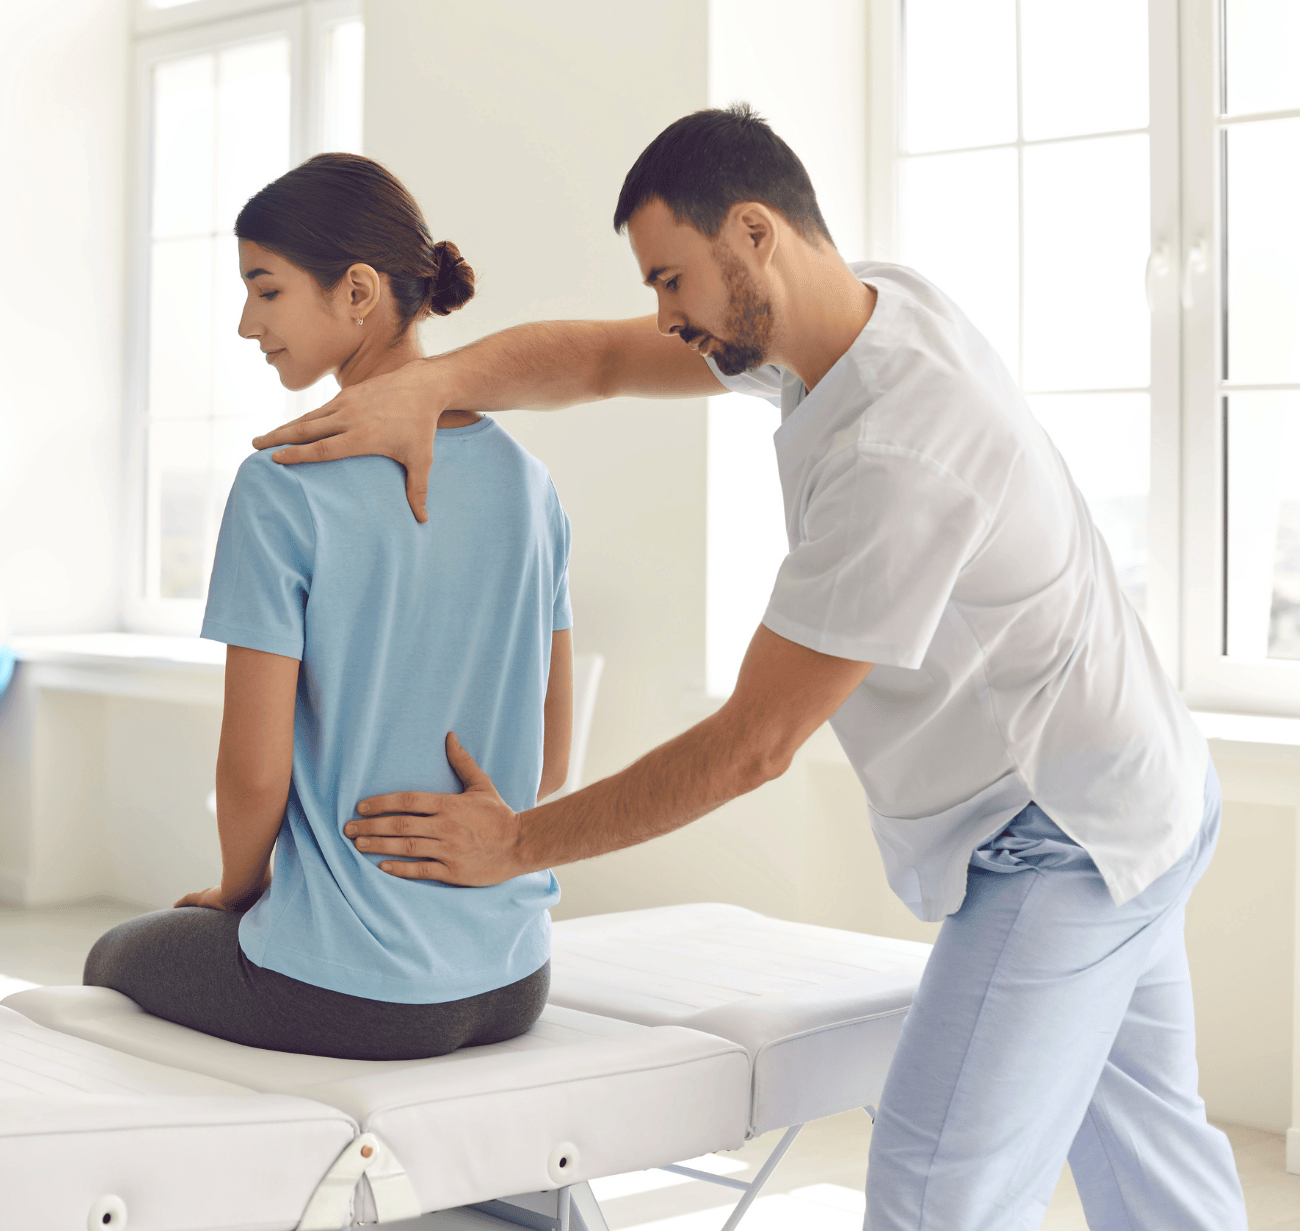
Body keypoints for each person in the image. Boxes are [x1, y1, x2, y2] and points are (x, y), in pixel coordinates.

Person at [254, 109, 1248, 1229]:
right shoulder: (861, 313)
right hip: (1145, 779)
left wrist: (519, 841)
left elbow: (753, 746)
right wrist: (430, 387)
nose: (666, 314)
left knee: (937, 1192)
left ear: (757, 234)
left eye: (673, 279)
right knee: (1158, 1164)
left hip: (1065, 831)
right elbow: (592, 358)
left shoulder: (900, 447)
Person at [83, 153, 574, 1061]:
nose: (245, 323)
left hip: (352, 990)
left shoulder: (284, 484)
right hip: (515, 976)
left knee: (114, 957)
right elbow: (553, 748)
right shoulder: (529, 484)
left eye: (265, 290)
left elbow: (255, 772)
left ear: (357, 292)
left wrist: (234, 893)